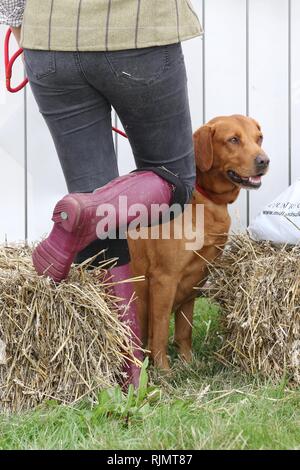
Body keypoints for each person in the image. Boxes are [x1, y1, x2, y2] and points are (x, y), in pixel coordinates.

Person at [1, 0, 202, 386]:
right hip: (141, 33)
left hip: (49, 41)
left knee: (98, 221)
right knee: (176, 181)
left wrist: (18, 25)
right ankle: (92, 209)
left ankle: (126, 373)